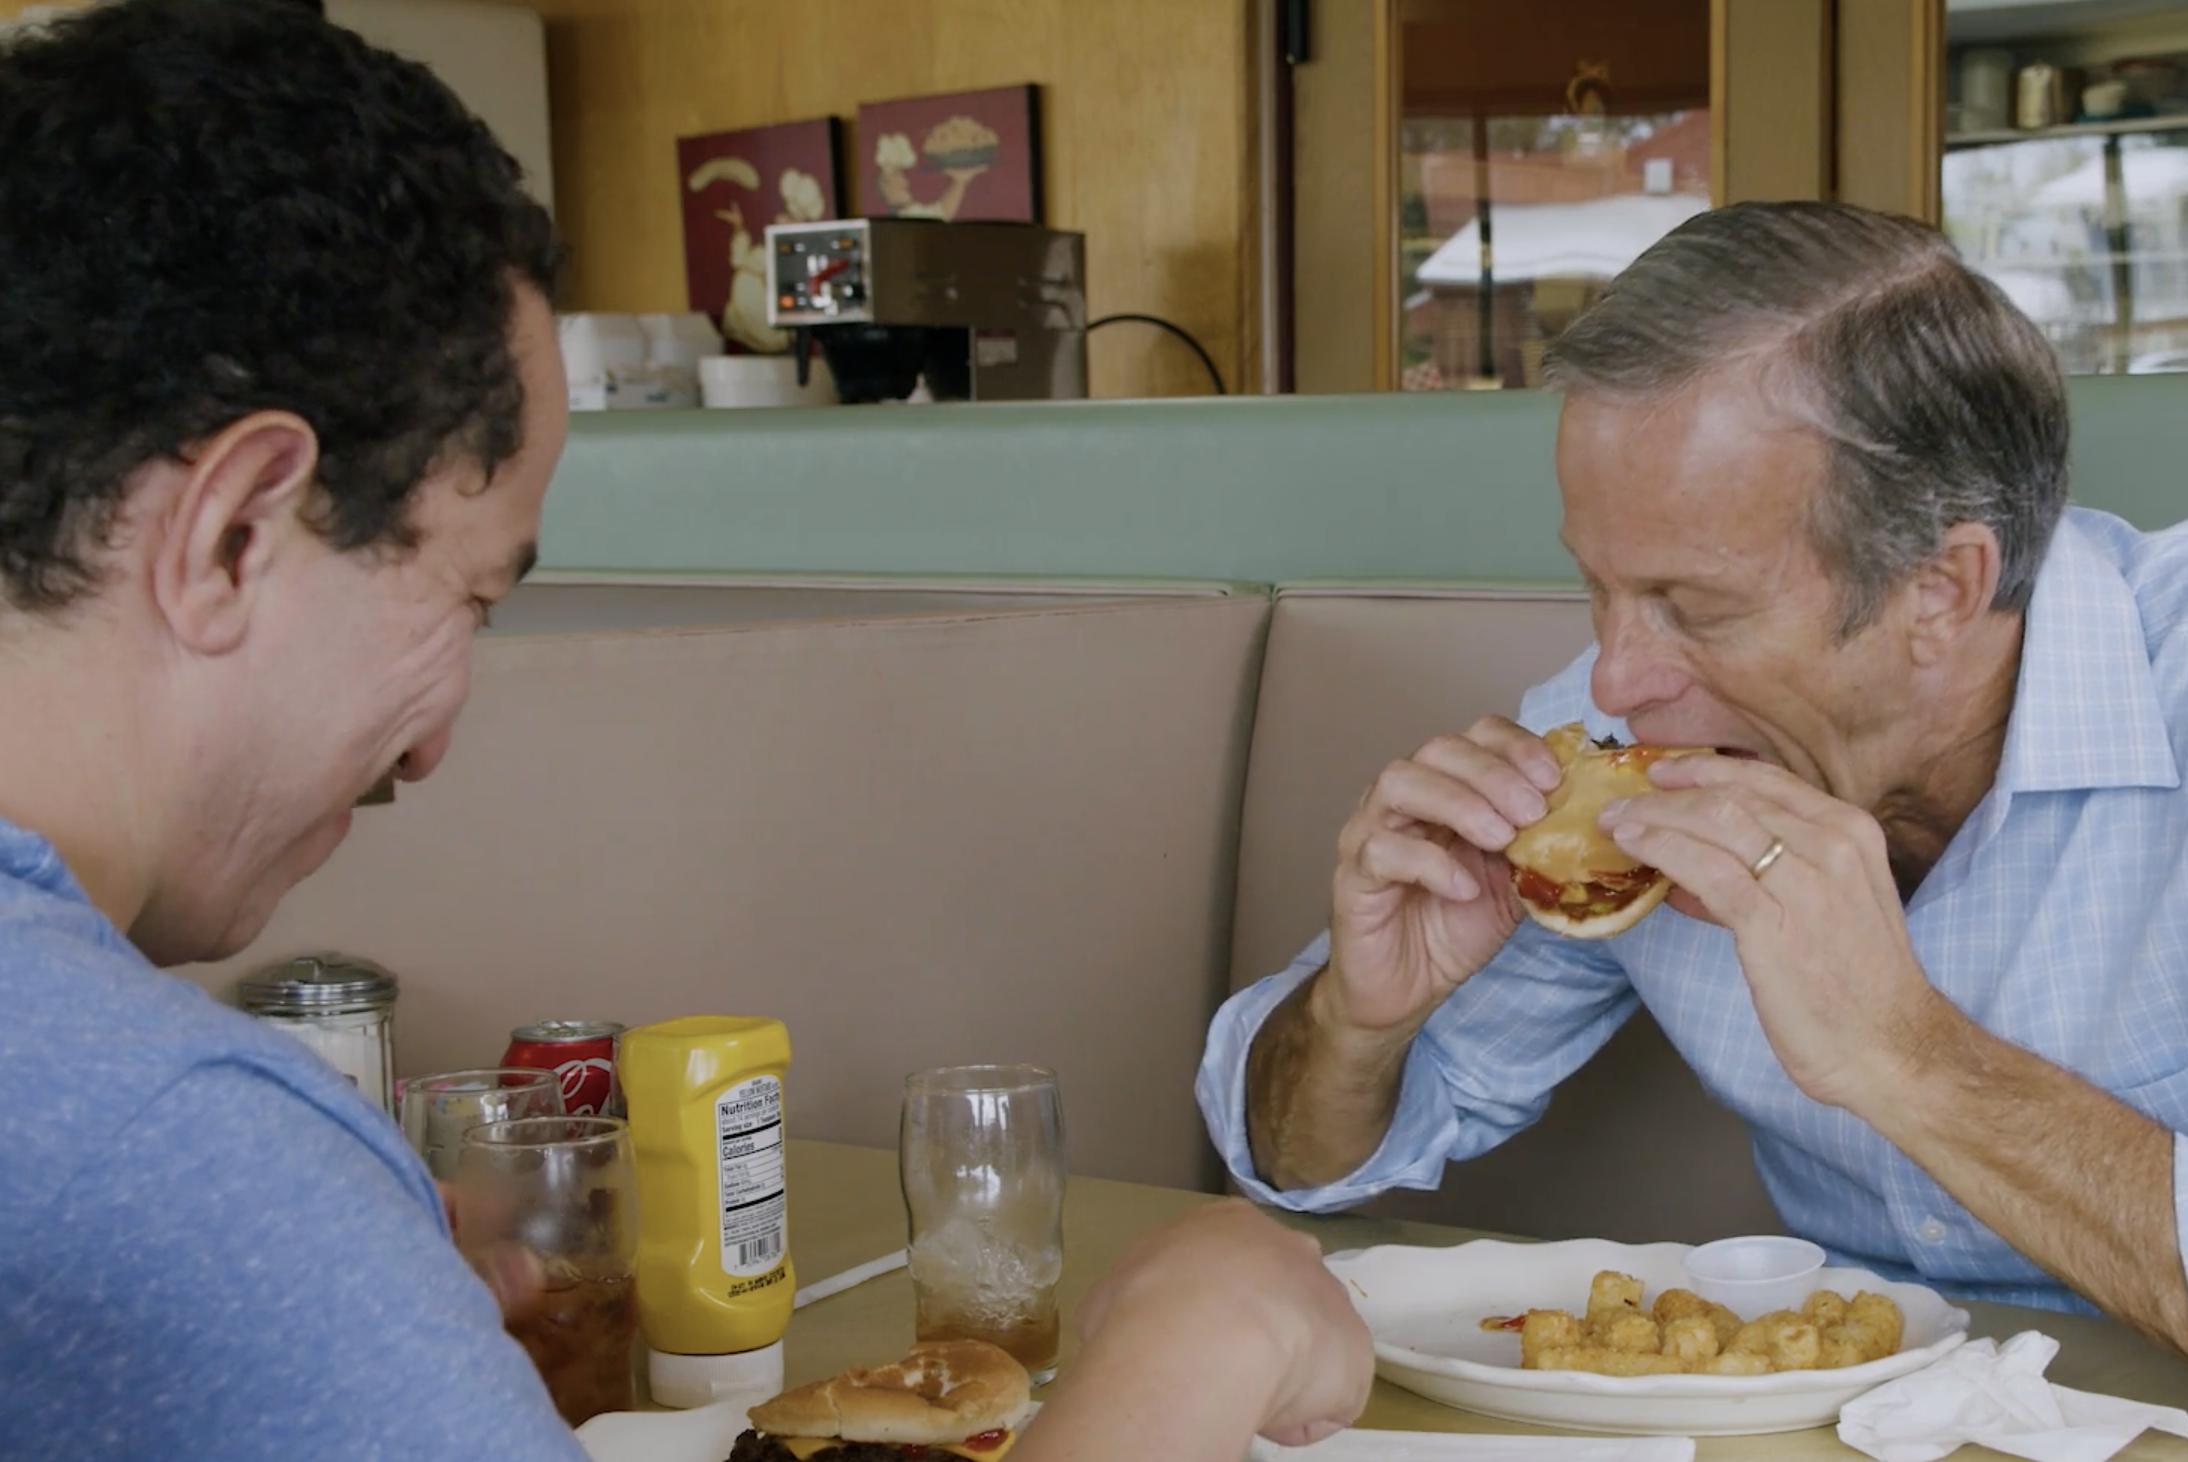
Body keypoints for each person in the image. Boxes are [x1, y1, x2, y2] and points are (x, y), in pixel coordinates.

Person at [0, 5, 1366, 1457]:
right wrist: (1195, 1349)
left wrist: (356, 1312)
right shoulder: (181, 1146)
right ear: (232, 536)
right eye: (466, 599)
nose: (432, 749)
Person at [1202, 201, 2188, 1462]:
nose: (1617, 676)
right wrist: (1356, 1018)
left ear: (1941, 590)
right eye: (1596, 589)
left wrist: (1908, 1056)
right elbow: (1308, 1162)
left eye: (1693, 609)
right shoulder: (1638, 738)